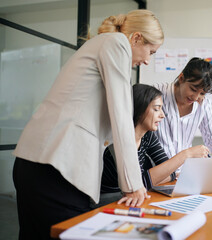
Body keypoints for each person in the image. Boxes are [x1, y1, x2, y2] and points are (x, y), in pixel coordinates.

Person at [12, 10, 163, 240]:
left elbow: (109, 125)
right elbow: (122, 114)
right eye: (150, 51)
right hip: (58, 168)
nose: (147, 60)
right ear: (136, 38)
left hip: (37, 163)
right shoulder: (116, 43)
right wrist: (132, 184)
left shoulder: (100, 45)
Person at [101, 84, 210, 205]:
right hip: (111, 203)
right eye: (157, 109)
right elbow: (137, 184)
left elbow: (169, 171)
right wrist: (186, 154)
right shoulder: (120, 144)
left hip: (134, 201)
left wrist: (157, 176)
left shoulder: (147, 136)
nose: (162, 115)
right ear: (139, 108)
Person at [154, 57, 212, 167]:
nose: (196, 97)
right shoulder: (156, 94)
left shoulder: (203, 104)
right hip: (156, 171)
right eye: (193, 89)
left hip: (183, 172)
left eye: (202, 93)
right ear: (181, 78)